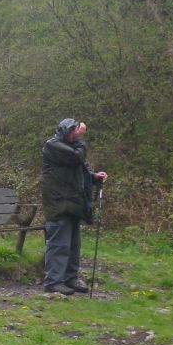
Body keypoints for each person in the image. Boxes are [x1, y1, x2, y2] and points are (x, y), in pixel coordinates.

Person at [42, 118, 108, 295]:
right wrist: (80, 139)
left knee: (73, 244)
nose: (75, 134)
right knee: (59, 244)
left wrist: (94, 177)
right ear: (64, 131)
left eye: (76, 131)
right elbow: (77, 157)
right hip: (58, 203)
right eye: (72, 131)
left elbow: (80, 167)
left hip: (73, 203)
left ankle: (70, 277)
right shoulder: (53, 146)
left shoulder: (72, 147)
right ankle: (53, 281)